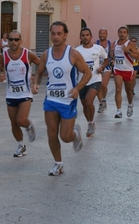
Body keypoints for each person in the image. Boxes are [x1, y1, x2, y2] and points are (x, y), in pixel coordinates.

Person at [32, 21, 91, 176]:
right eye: (53, 33)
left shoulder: (72, 54)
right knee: (52, 134)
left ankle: (75, 134)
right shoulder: (46, 54)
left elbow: (87, 73)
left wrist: (77, 88)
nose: (56, 37)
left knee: (65, 137)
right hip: (51, 100)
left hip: (68, 100)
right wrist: (36, 84)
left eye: (59, 33)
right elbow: (39, 72)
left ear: (65, 35)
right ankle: (58, 164)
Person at [0, 30, 40, 157]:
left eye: (16, 39)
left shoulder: (28, 54)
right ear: (7, 41)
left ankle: (29, 125)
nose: (13, 42)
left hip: (25, 93)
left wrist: (35, 77)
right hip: (11, 94)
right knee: (13, 123)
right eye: (11, 39)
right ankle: (21, 146)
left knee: (21, 119)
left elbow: (42, 65)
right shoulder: (3, 56)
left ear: (21, 41)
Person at [76, 28, 108, 137]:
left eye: (87, 35)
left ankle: (91, 122)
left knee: (89, 101)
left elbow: (107, 58)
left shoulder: (98, 48)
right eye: (83, 35)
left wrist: (102, 67)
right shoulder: (76, 51)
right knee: (85, 105)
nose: (85, 37)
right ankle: (90, 122)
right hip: (82, 81)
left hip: (95, 79)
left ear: (91, 36)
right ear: (80, 37)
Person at [112, 27, 139, 118]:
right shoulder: (115, 43)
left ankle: (130, 105)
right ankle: (118, 111)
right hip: (118, 69)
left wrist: (128, 51)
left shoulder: (130, 44)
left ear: (127, 34)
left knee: (128, 91)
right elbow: (112, 55)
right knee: (118, 89)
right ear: (118, 33)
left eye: (124, 32)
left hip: (128, 70)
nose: (122, 34)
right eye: (120, 32)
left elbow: (137, 56)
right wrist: (112, 55)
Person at [96, 28, 112, 113]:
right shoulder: (95, 44)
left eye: (103, 33)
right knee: (98, 87)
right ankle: (101, 103)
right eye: (100, 33)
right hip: (97, 67)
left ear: (106, 34)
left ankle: (104, 99)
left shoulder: (110, 44)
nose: (102, 35)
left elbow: (113, 54)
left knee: (103, 85)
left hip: (107, 66)